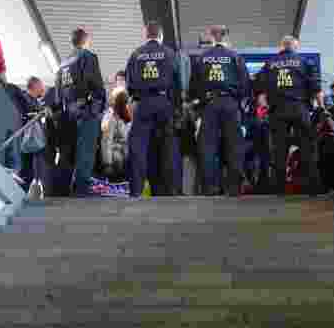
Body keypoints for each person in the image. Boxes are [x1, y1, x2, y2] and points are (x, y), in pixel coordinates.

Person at [256, 35, 324, 196]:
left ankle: (279, 190)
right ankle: (313, 188)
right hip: (299, 109)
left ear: (282, 46)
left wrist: (266, 107)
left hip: (278, 111)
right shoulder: (304, 62)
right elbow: (316, 87)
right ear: (295, 46)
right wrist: (322, 107)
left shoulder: (269, 64)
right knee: (307, 148)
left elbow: (260, 91)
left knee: (279, 150)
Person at [189, 25, 250, 196]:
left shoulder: (201, 57)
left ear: (211, 37)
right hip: (231, 104)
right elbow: (245, 85)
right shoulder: (235, 57)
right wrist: (238, 105)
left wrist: (200, 105)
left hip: (209, 104)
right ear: (226, 37)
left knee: (208, 147)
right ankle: (234, 189)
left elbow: (193, 86)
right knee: (234, 146)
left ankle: (209, 189)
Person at [125, 21, 183, 198]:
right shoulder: (170, 53)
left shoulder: (136, 54)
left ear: (146, 35)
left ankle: (136, 190)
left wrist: (138, 97)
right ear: (160, 35)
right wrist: (176, 107)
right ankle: (172, 189)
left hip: (143, 104)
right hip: (164, 102)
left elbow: (129, 85)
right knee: (169, 147)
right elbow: (177, 82)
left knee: (139, 147)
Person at [56, 28, 106, 197]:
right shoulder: (87, 57)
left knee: (69, 153)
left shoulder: (63, 63)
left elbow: (57, 93)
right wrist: (97, 109)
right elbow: (96, 85)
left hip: (68, 113)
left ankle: (63, 190)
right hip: (85, 111)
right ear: (86, 41)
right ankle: (81, 191)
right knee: (86, 152)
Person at [100, 89, 132, 181]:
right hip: (116, 160)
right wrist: (108, 163)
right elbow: (107, 141)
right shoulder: (110, 117)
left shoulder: (127, 116)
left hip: (126, 157)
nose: (126, 104)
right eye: (123, 101)